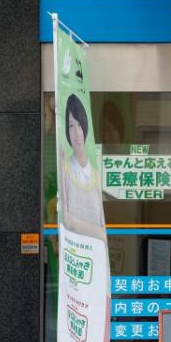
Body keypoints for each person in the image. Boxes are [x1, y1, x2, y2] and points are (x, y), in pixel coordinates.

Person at [59, 93, 104, 236]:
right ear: (66, 129)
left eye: (79, 124)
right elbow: (66, 221)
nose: (77, 133)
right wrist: (98, 233)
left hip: (94, 255)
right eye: (71, 126)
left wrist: (75, 224)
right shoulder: (64, 169)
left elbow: (103, 228)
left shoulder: (96, 175)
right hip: (74, 254)